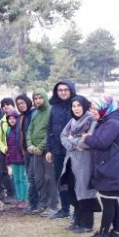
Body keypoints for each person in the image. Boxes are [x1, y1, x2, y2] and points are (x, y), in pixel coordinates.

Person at [81, 95, 119, 237]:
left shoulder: (113, 123)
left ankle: (103, 234)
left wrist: (87, 138)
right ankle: (117, 231)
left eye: (95, 108)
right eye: (91, 109)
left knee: (108, 202)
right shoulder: (107, 120)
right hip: (109, 167)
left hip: (111, 170)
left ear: (105, 108)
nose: (92, 111)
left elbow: (101, 143)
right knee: (111, 201)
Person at [59, 95, 99, 234]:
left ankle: (87, 224)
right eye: (73, 106)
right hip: (71, 161)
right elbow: (62, 136)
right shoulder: (72, 121)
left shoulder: (91, 121)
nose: (76, 109)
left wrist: (72, 139)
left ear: (84, 106)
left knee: (85, 192)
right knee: (73, 190)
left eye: (79, 106)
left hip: (85, 162)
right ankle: (77, 221)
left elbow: (87, 142)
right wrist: (74, 145)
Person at [45, 80, 77, 220]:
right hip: (57, 150)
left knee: (74, 181)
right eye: (60, 90)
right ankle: (64, 209)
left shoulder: (77, 106)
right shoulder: (55, 108)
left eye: (66, 89)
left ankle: (78, 211)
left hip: (73, 151)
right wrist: (49, 150)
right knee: (60, 180)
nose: (63, 92)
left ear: (71, 90)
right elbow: (50, 130)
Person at [26, 89, 59, 217]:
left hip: (47, 151)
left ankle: (53, 206)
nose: (38, 100)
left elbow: (51, 132)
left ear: (45, 98)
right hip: (35, 151)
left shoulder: (51, 111)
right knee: (38, 178)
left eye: (40, 98)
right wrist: (29, 145)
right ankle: (43, 204)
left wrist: (41, 146)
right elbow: (30, 130)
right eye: (35, 98)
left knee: (50, 178)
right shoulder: (35, 114)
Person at [16, 94, 38, 214]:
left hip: (34, 150)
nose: (21, 105)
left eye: (23, 103)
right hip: (25, 151)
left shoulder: (33, 114)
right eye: (19, 104)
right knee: (30, 177)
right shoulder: (21, 117)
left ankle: (35, 204)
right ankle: (33, 203)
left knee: (32, 177)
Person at [3, 109, 27, 208]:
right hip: (13, 159)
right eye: (9, 119)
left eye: (13, 118)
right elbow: (8, 146)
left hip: (21, 158)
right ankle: (18, 198)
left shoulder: (20, 129)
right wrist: (8, 160)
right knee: (16, 179)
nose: (12, 120)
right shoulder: (8, 130)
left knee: (23, 179)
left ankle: (24, 199)